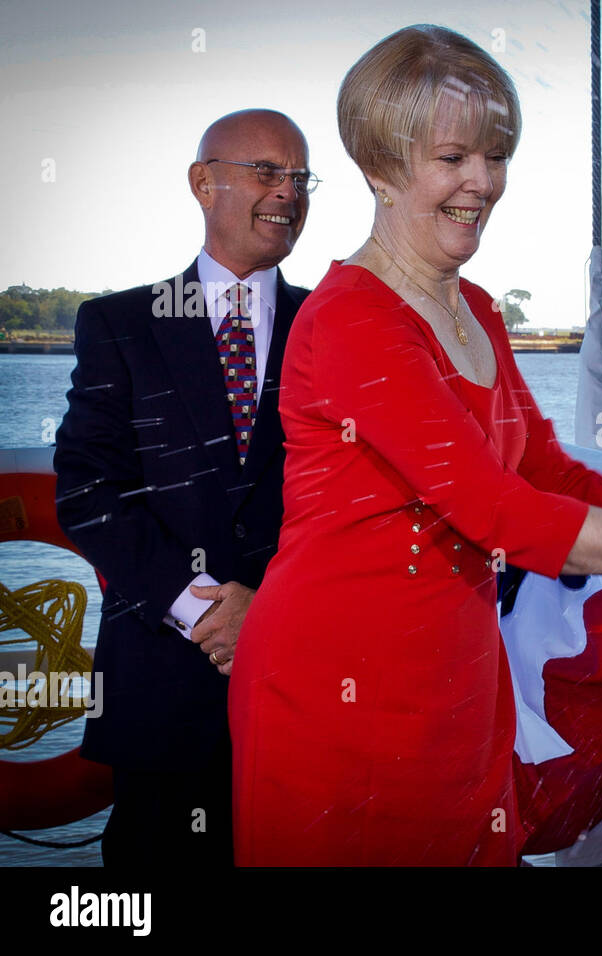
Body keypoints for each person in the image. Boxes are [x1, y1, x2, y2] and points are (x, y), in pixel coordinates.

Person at [227, 25, 602, 866]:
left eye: (496, 157)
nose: (483, 184)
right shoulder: (352, 320)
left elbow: (552, 472)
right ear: (381, 170)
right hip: (336, 693)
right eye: (453, 158)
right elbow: (505, 515)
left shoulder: (480, 311)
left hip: (457, 685)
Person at [53, 109, 315, 866]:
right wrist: (206, 610)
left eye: (300, 177)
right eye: (266, 171)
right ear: (204, 183)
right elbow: (88, 490)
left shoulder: (332, 328)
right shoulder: (118, 324)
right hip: (164, 688)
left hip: (305, 687)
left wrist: (269, 613)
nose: (287, 192)